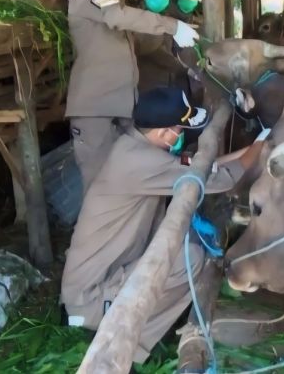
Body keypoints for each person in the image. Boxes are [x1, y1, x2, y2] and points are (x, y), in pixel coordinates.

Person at [61, 87, 259, 363]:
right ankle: (133, 342)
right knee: (189, 259)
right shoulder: (138, 161)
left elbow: (203, 167)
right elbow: (220, 179)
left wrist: (252, 149)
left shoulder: (136, 147)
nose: (181, 137)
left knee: (184, 244)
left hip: (109, 274)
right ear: (164, 133)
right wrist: (263, 148)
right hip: (89, 299)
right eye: (179, 130)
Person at [65, 0, 200, 193]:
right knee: (99, 185)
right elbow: (118, 18)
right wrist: (171, 26)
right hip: (97, 110)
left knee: (131, 176)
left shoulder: (114, 1)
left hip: (123, 106)